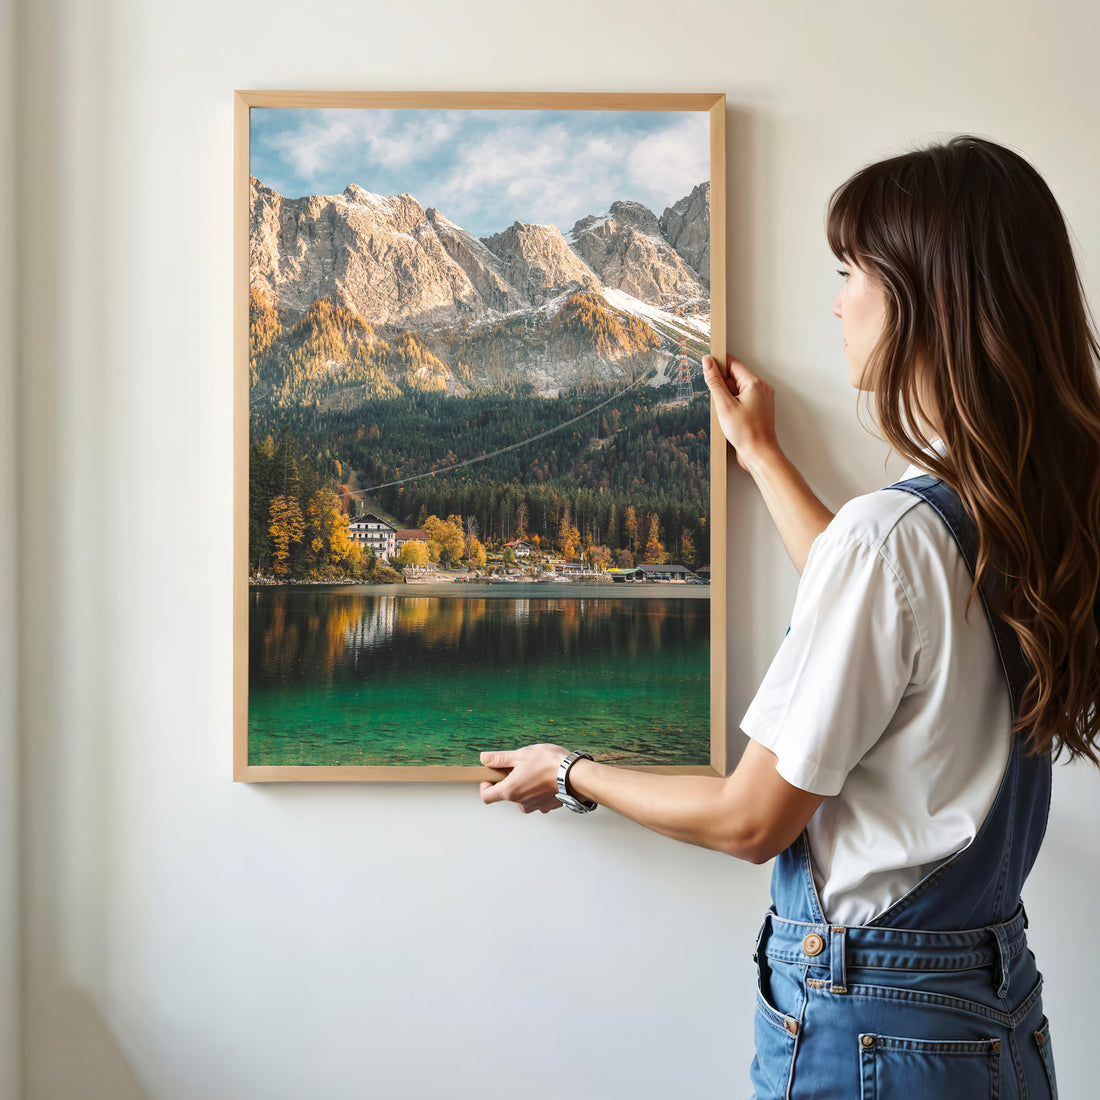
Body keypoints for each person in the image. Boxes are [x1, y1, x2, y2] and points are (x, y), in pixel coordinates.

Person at [478, 134, 1100, 1098]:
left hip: (873, 1031)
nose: (838, 302)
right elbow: (884, 619)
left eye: (852, 273)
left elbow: (750, 820)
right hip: (991, 1018)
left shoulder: (895, 536)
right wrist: (763, 456)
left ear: (924, 299)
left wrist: (567, 771)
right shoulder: (1022, 513)